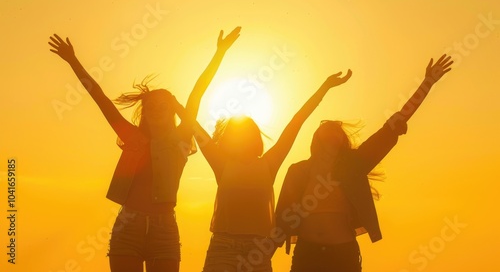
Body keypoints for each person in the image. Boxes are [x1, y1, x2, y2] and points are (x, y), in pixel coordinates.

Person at [48, 27, 241, 272]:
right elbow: (100, 98)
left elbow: (198, 92)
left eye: (164, 106)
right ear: (145, 112)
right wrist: (73, 60)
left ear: (172, 110)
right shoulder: (132, 136)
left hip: (165, 230)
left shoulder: (180, 138)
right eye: (151, 106)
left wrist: (219, 53)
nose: (157, 109)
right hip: (128, 226)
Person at [274, 54, 453, 272]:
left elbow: (395, 124)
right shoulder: (298, 171)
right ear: (315, 139)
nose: (330, 130)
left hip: (343, 255)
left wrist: (427, 83)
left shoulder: (355, 164)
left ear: (342, 139)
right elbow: (281, 220)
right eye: (325, 129)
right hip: (307, 255)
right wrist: (258, 257)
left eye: (335, 130)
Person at [191, 63, 353, 271]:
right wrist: (219, 54)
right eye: (237, 134)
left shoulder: (269, 163)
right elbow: (191, 120)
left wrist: (325, 87)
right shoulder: (221, 163)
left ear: (256, 137)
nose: (243, 138)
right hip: (223, 247)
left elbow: (297, 121)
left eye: (248, 132)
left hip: (258, 249)